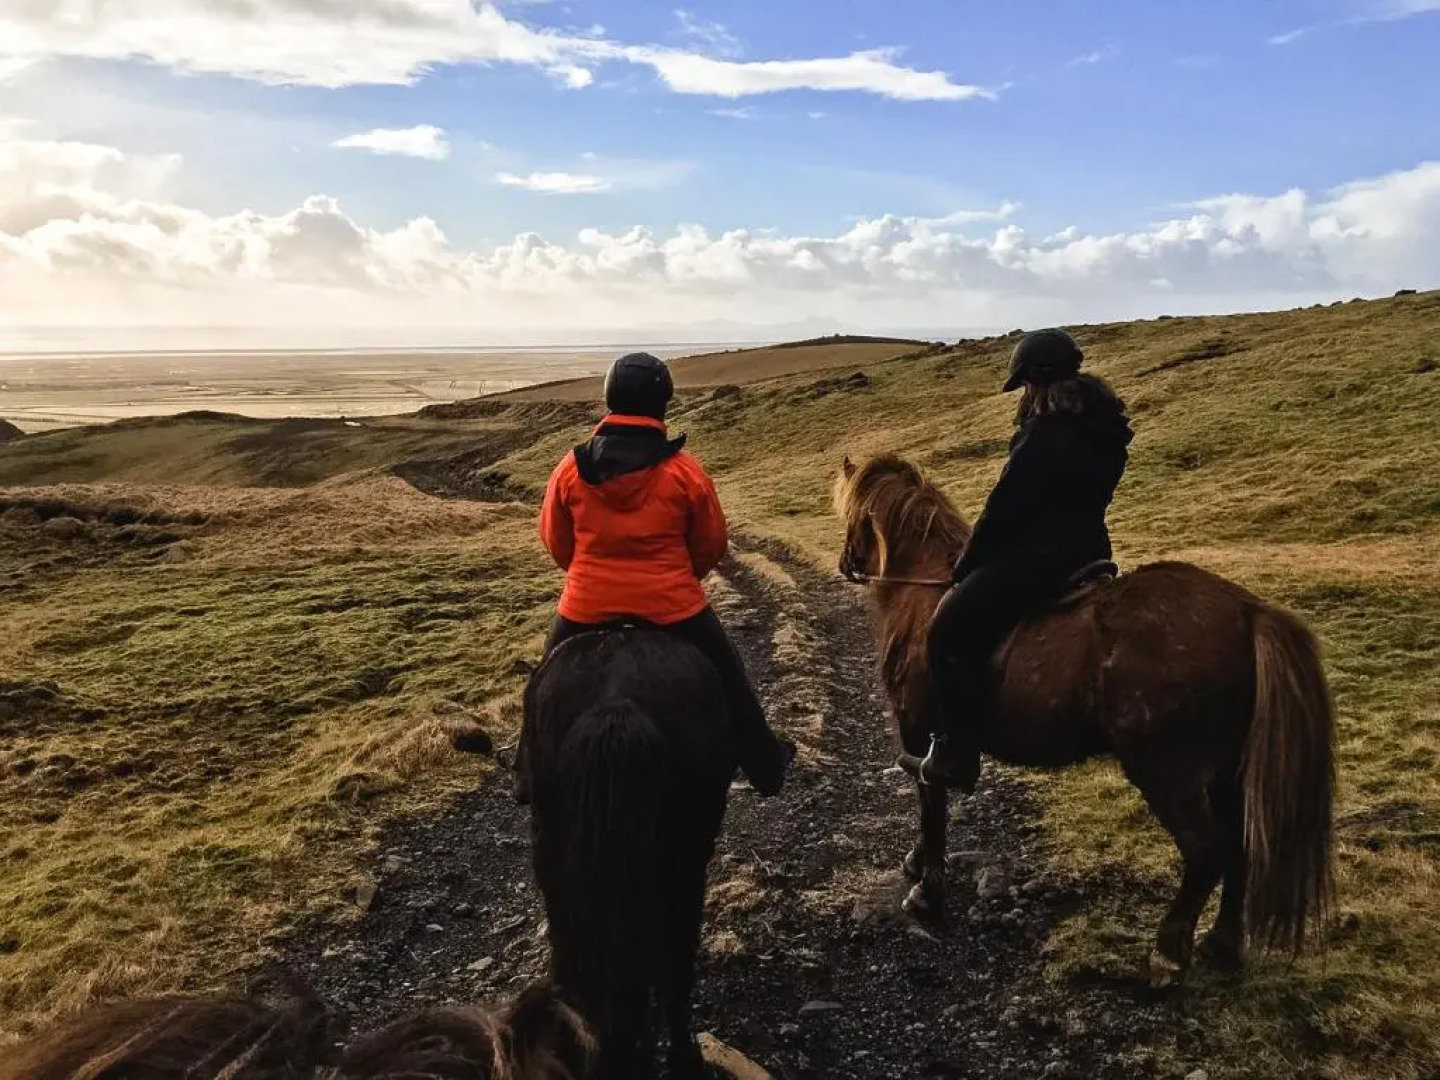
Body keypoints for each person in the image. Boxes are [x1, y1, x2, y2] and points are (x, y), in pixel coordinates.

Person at [513, 351, 795, 804]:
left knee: (543, 682)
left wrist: (588, 575)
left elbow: (555, 539)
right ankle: (764, 762)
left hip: (585, 606)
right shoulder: (684, 471)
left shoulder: (571, 468)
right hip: (674, 606)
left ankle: (526, 772)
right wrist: (681, 577)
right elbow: (711, 544)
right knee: (729, 673)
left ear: (610, 399)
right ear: (661, 404)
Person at [914, 328, 1134, 791]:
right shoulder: (1105, 430)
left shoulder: (1044, 435)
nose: (1026, 396)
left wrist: (965, 567)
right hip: (1091, 550)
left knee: (947, 630)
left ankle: (957, 751)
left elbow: (1003, 510)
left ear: (1039, 379)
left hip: (1036, 561)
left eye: (1027, 386)